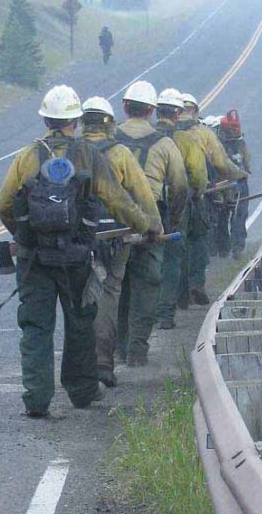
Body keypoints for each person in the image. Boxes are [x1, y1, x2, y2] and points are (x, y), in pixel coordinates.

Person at [0, 85, 161, 418]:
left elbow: (3, 204)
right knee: (80, 323)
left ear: (46, 118)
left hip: (35, 260)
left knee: (37, 327)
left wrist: (26, 236)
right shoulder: (88, 154)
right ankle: (82, 390)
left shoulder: (28, 155)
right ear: (75, 120)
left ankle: (37, 398)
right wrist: (146, 225)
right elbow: (116, 199)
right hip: (76, 258)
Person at [80, 96, 162, 387]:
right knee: (110, 293)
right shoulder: (120, 154)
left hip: (76, 240)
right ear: (109, 123)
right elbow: (142, 196)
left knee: (78, 298)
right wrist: (154, 228)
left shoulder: (69, 153)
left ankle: (81, 365)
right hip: (115, 238)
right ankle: (104, 360)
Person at [115, 81, 188, 365]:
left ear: (124, 107)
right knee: (147, 284)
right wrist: (172, 220)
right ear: (152, 111)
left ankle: (118, 347)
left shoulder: (111, 140)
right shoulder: (165, 143)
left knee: (116, 285)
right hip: (151, 218)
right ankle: (137, 350)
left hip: (116, 217)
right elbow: (180, 186)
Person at [176, 93, 247, 306]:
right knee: (198, 240)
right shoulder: (203, 133)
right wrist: (239, 174)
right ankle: (195, 283)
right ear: (195, 111)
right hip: (197, 196)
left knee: (174, 246)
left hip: (167, 198)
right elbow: (221, 163)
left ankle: (176, 295)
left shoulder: (161, 133)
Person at [154, 88, 208, 330]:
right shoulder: (185, 140)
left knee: (149, 258)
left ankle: (149, 311)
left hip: (146, 205)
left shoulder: (148, 136)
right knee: (175, 255)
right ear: (177, 113)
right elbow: (197, 176)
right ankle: (168, 310)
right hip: (176, 205)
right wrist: (196, 194)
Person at [216, 110, 251, 259]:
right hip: (226, 185)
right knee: (226, 216)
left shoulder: (238, 143)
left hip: (236, 184)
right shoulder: (220, 145)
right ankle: (230, 247)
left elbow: (247, 160)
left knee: (237, 216)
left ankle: (233, 247)